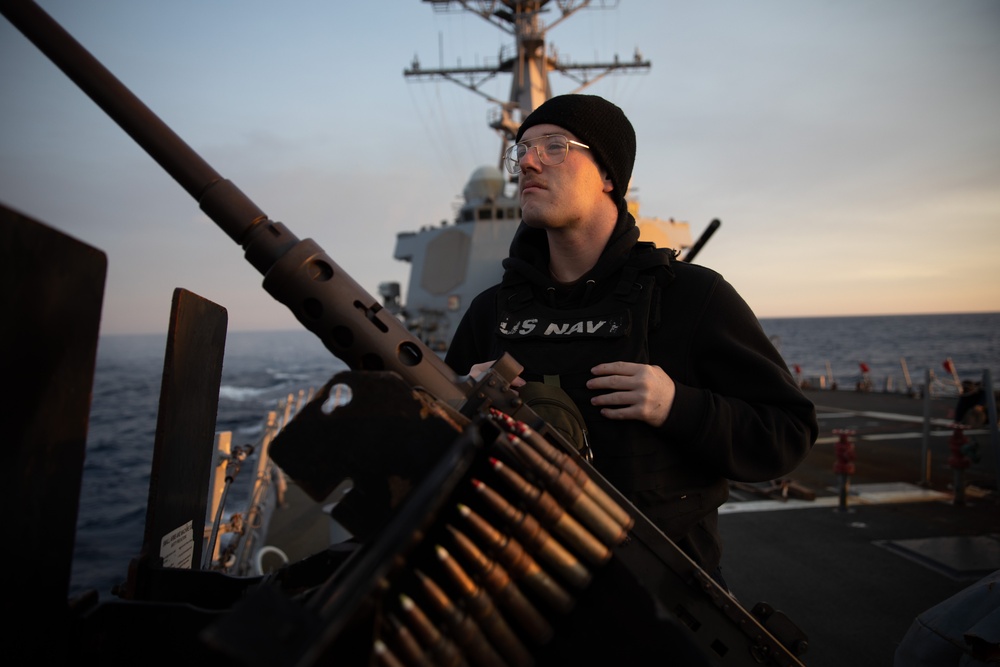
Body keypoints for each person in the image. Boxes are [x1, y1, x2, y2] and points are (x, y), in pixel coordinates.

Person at [444, 93, 818, 588]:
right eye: (523, 150)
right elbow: (435, 459)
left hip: (661, 600)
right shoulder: (490, 312)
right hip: (518, 596)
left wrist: (677, 406)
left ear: (608, 176)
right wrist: (459, 404)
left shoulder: (692, 297)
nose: (528, 162)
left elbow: (787, 433)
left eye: (554, 146)